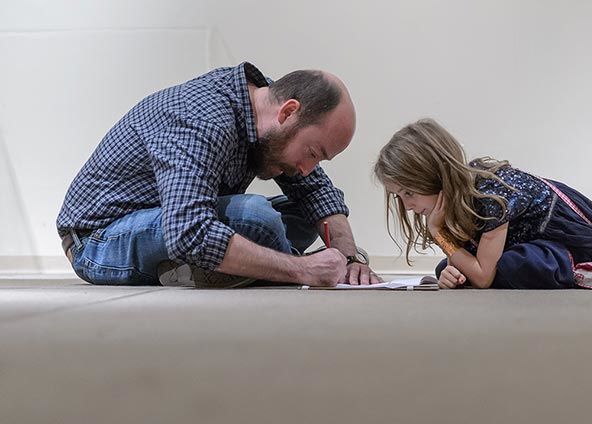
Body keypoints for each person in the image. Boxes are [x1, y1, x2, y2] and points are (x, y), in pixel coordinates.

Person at [57, 62, 381, 287]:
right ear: (288, 113)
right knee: (257, 217)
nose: (309, 168)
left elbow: (316, 193)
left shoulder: (264, 106)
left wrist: (350, 257)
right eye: (313, 153)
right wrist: (302, 269)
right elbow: (189, 231)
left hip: (170, 225)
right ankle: (247, 266)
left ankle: (220, 268)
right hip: (98, 242)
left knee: (305, 213)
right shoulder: (202, 119)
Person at [373, 118, 592, 289]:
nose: (407, 206)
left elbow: (482, 276)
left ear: (434, 175)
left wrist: (439, 235)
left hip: (569, 243)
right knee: (448, 269)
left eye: (408, 193)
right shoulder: (456, 200)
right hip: (520, 244)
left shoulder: (492, 194)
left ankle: (576, 269)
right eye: (400, 196)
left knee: (512, 266)